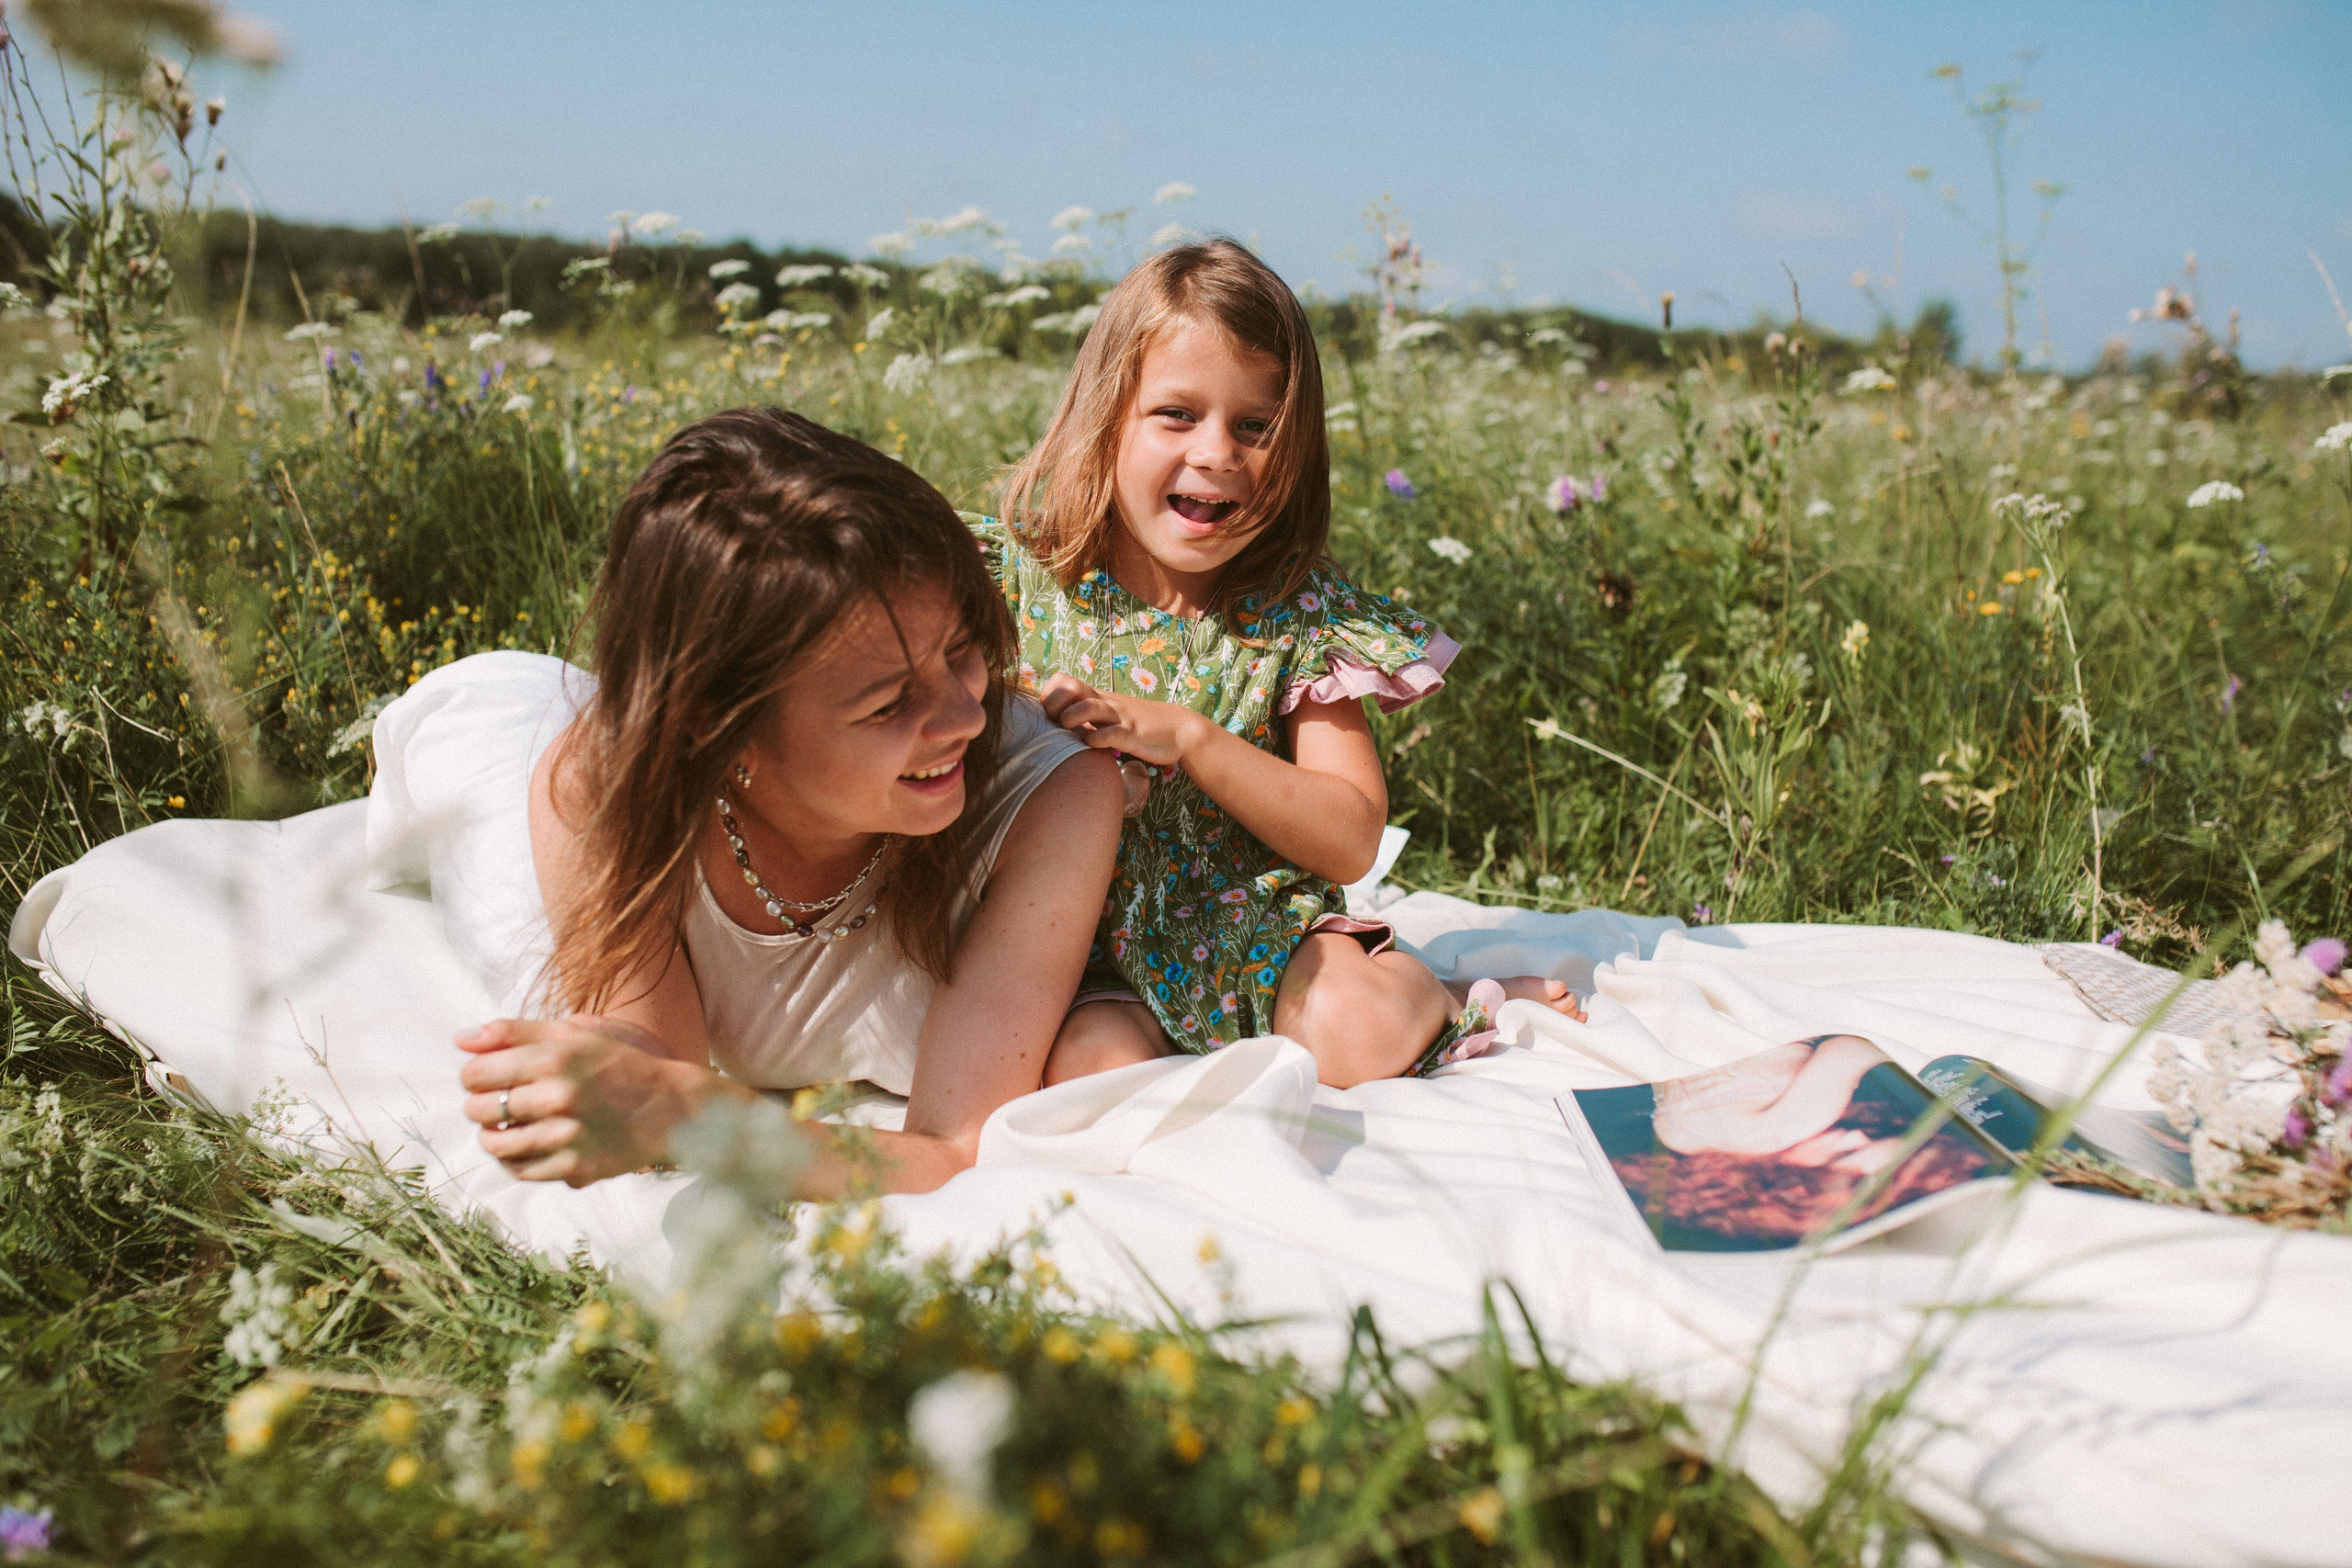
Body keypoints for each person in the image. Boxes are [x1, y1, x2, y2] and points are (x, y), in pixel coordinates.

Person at [424, 407, 1124, 1195]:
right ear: (721, 728)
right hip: (529, 754)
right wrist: (604, 1075)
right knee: (458, 738)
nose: (966, 715)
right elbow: (655, 1057)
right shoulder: (599, 784)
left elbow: (954, 1152)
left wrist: (691, 1114)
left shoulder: (1054, 797)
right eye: (890, 703)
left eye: (961, 650)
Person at [968, 239, 1582, 1089]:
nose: (1218, 452)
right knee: (1089, 1075)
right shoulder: (1019, 584)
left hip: (1257, 940)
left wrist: (1191, 739)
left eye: (1256, 427)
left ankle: (1437, 994)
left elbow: (1350, 838)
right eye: (1176, 414)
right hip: (1083, 956)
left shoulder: (1294, 615)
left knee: (1358, 1028)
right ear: (1105, 419)